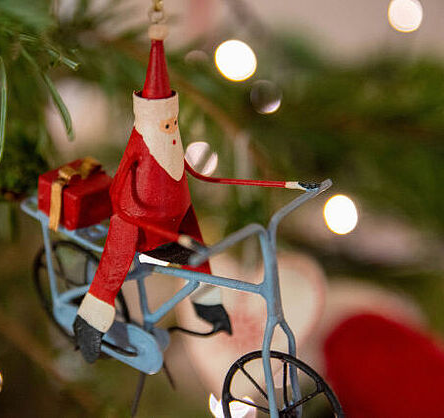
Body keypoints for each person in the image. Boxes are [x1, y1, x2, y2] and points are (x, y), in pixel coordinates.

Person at [73, 24, 309, 363]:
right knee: (111, 272)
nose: (171, 128)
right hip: (136, 228)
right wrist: (148, 225)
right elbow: (121, 203)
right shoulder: (139, 152)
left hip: (178, 218)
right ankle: (89, 322)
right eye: (165, 124)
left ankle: (208, 306)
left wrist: (286, 185)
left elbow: (201, 176)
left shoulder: (171, 146)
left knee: (201, 254)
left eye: (173, 123)